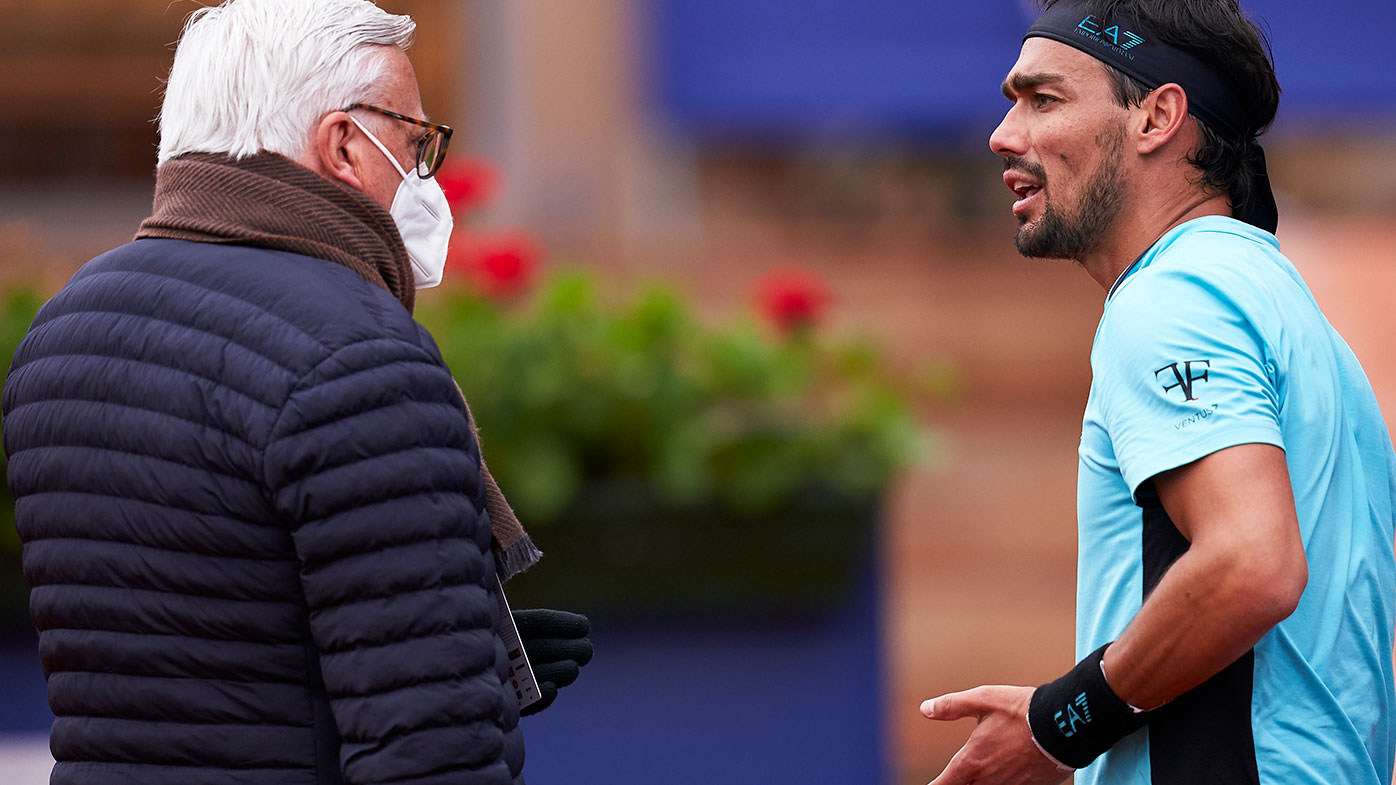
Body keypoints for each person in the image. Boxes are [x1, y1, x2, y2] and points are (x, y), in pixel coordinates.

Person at [1, 1, 589, 783]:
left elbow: (199, 643)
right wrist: (451, 690)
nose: (425, 178)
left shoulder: (63, 330)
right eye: (416, 142)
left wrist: (468, 658)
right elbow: (429, 757)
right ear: (345, 142)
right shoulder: (358, 356)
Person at [919, 1, 1396, 783]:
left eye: (1044, 99)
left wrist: (1059, 721)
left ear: (1157, 116)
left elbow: (1252, 564)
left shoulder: (1172, 297)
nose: (1005, 135)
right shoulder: (1280, 303)